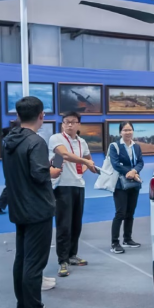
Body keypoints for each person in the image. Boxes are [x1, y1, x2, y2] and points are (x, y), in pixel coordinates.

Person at [3, 96, 67, 308]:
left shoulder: (9, 140)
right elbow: (40, 175)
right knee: (34, 262)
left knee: (22, 258)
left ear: (18, 115)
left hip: (19, 206)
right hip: (38, 208)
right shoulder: (36, 142)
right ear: (41, 115)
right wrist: (53, 171)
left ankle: (23, 307)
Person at [49, 111, 98, 278]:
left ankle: (72, 255)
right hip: (62, 186)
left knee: (76, 224)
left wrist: (84, 169)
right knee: (64, 225)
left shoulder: (82, 142)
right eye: (66, 122)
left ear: (78, 124)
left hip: (78, 186)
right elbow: (63, 155)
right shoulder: (56, 138)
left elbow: (89, 159)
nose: (69, 124)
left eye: (73, 122)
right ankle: (62, 260)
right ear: (62, 124)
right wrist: (85, 162)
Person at [109, 122, 144, 254]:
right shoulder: (114, 146)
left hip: (134, 183)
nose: (128, 132)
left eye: (130, 130)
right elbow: (115, 164)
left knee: (130, 212)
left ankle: (127, 239)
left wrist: (134, 171)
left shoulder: (136, 146)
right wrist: (128, 172)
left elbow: (140, 162)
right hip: (120, 184)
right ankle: (115, 243)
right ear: (120, 132)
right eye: (125, 130)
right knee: (120, 213)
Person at [0, 119, 21, 215]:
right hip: (15, 167)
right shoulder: (14, 139)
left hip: (10, 166)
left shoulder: (8, 139)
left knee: (11, 187)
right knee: (11, 187)